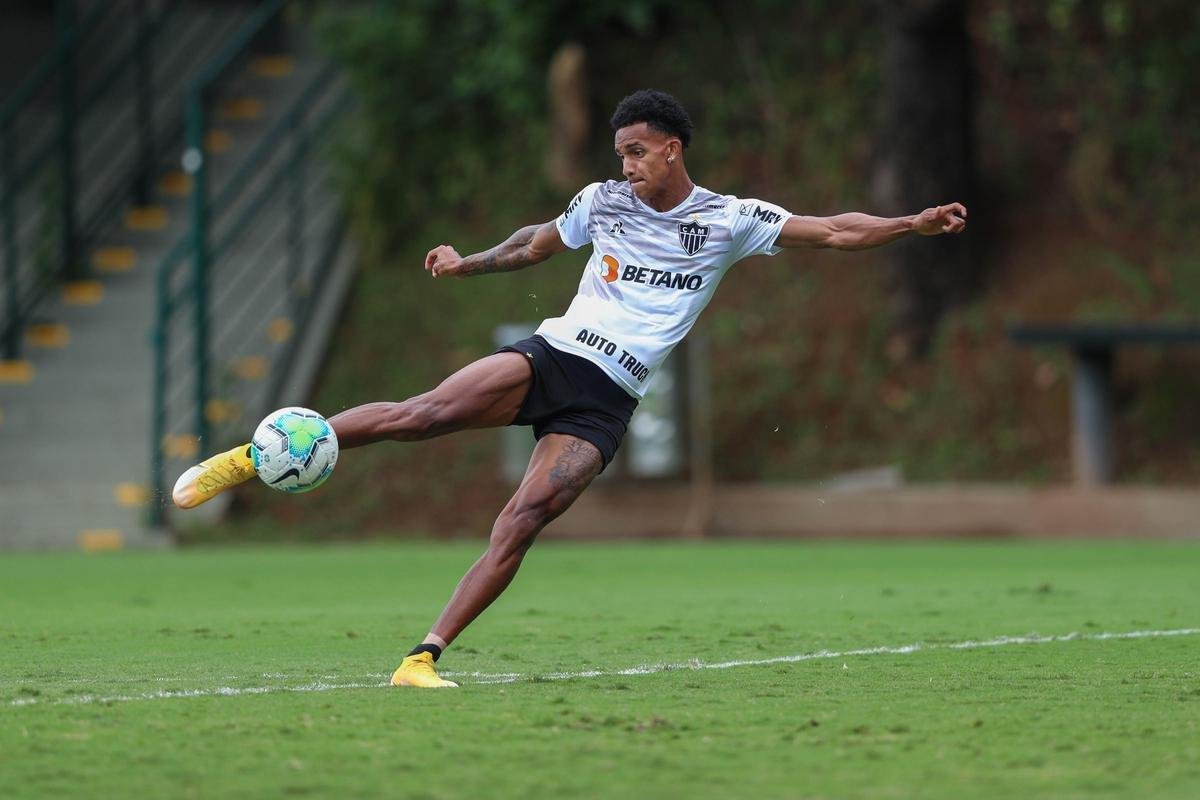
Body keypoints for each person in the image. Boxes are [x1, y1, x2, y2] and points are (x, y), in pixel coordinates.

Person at [172, 89, 967, 688]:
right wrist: (467, 263)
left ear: (673, 149)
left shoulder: (728, 219)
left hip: (606, 400)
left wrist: (909, 226)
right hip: (555, 355)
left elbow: (831, 230)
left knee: (522, 520)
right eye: (619, 151)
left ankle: (421, 658)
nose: (623, 164)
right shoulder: (605, 202)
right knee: (423, 414)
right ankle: (248, 458)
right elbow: (536, 246)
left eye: (636, 150)